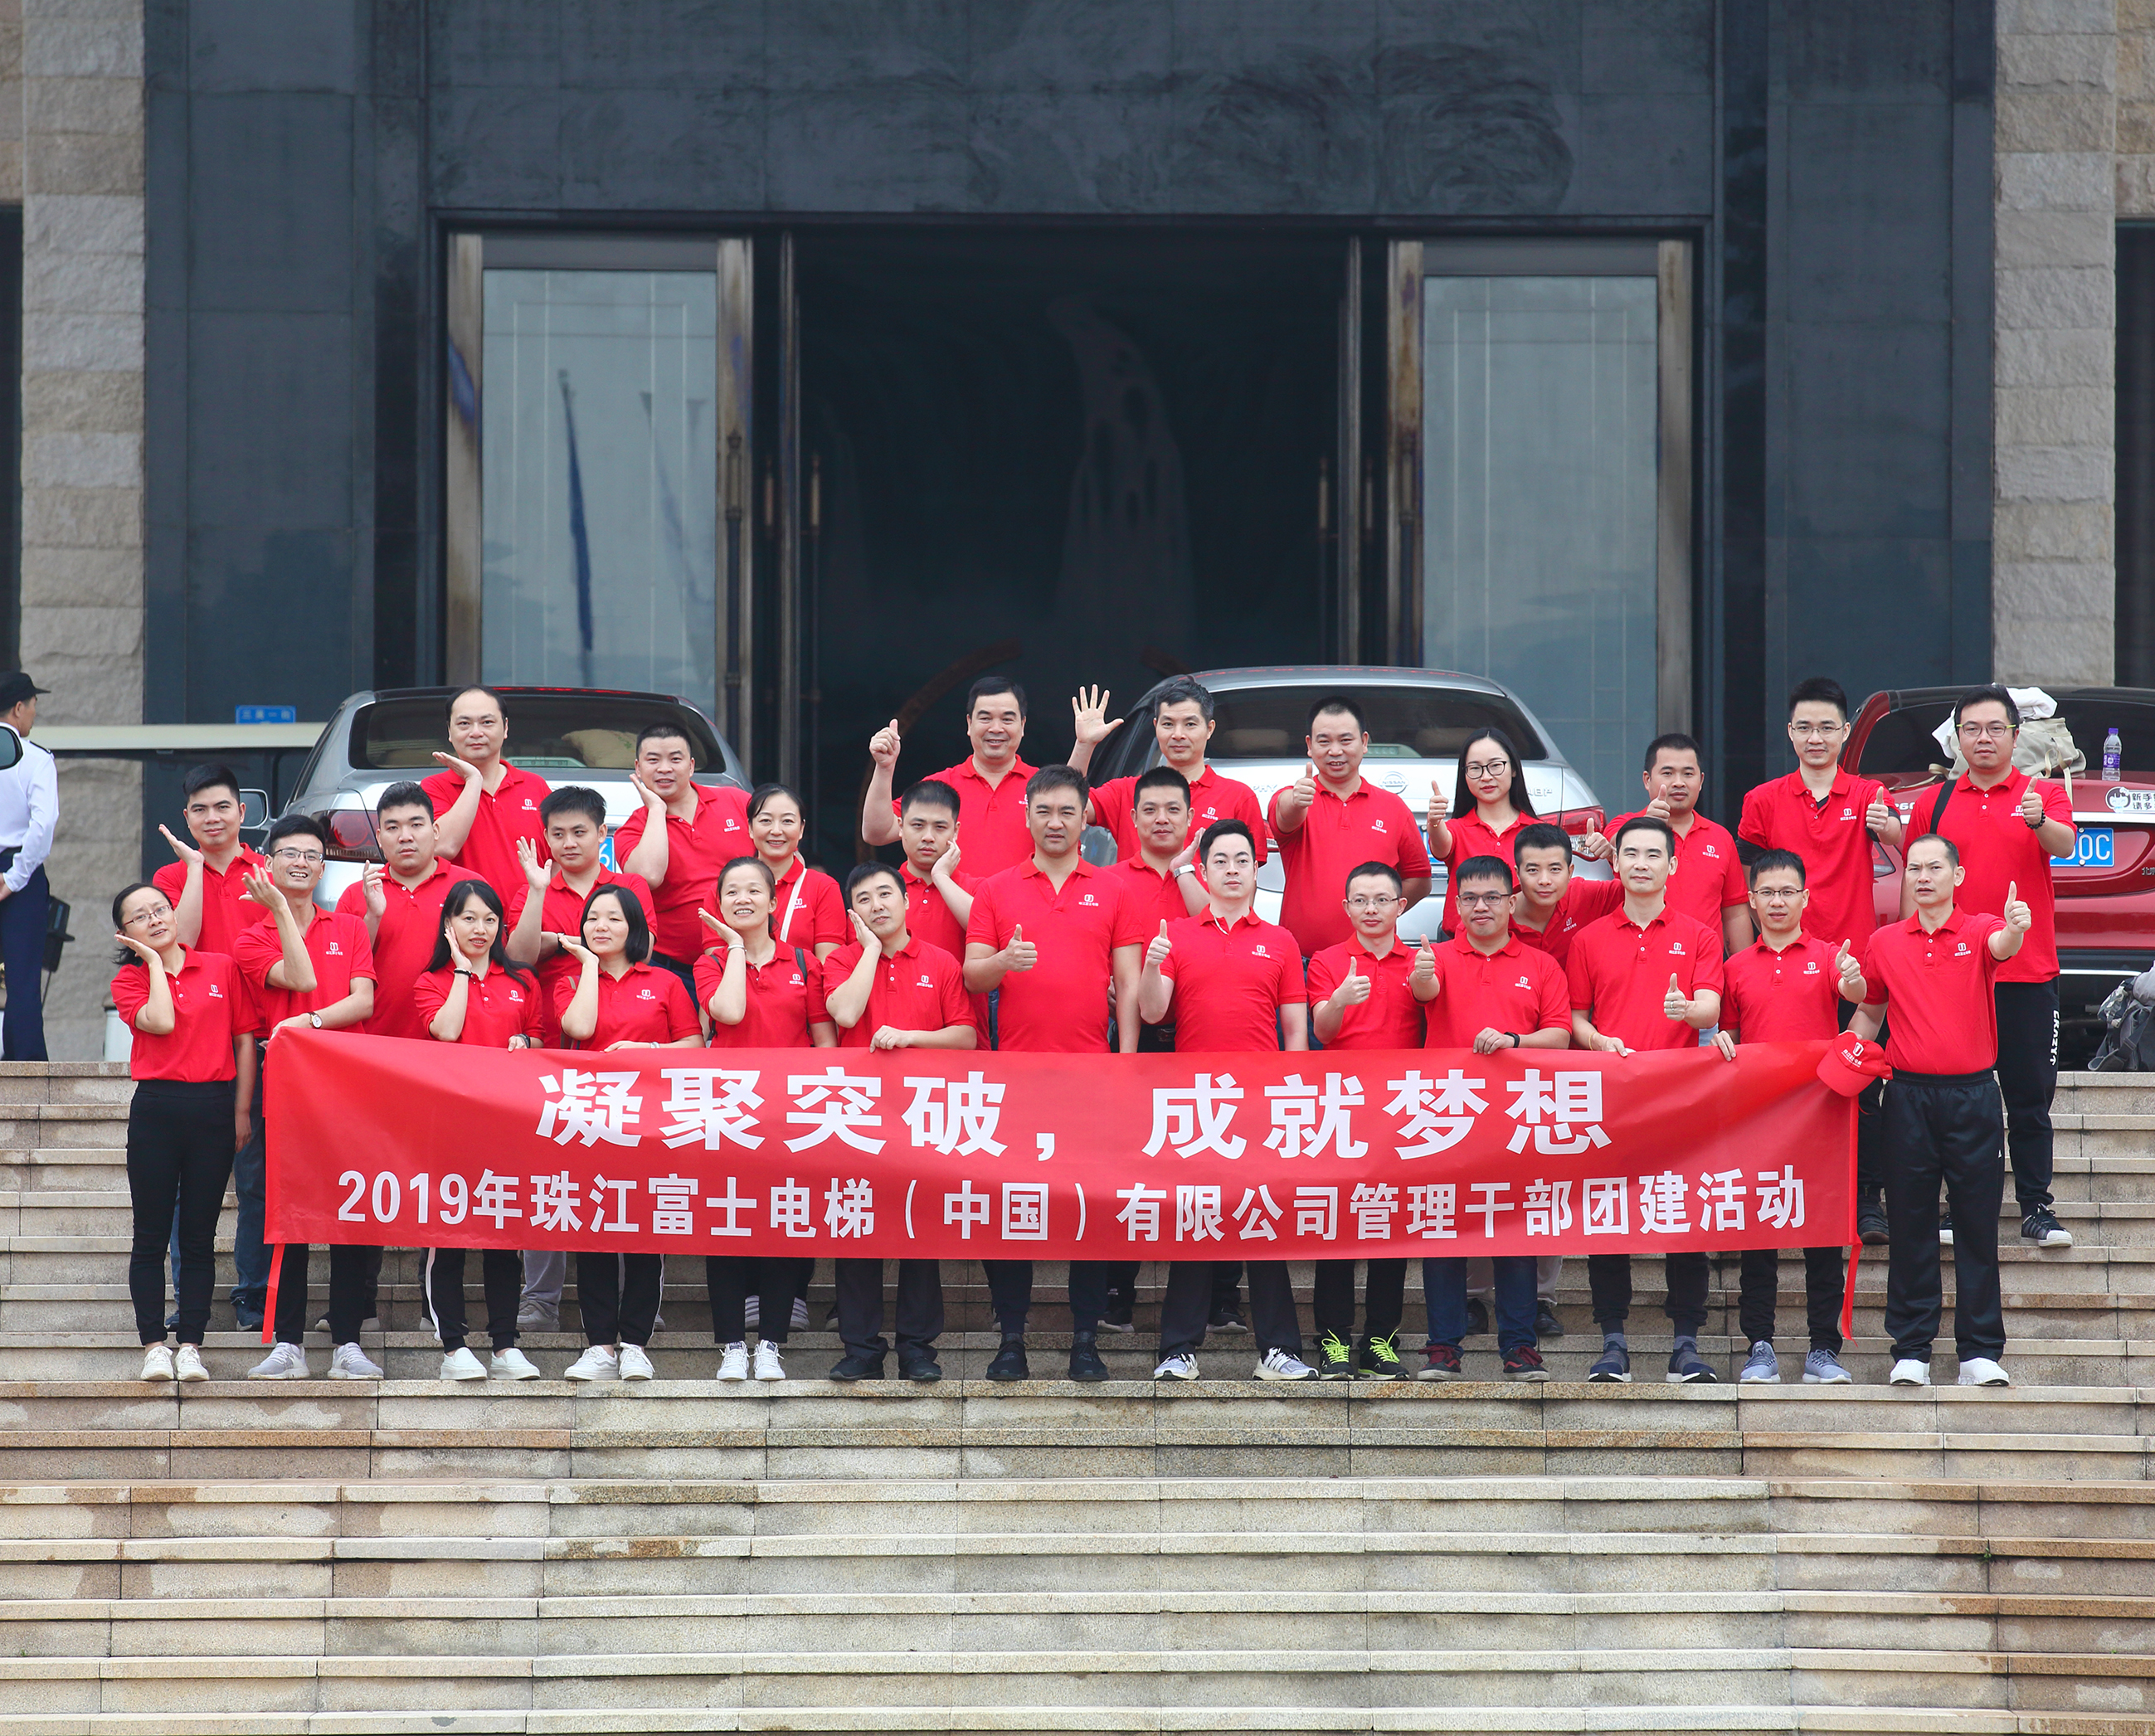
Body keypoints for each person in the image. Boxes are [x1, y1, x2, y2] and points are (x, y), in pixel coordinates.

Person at [965, 765, 1146, 1379]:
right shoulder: (995, 889)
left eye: (1068, 811)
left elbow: (1128, 983)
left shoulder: (1114, 889)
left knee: (1088, 1210)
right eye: (1044, 811)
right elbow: (972, 976)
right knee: (1011, 1209)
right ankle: (1011, 1338)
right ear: (1027, 816)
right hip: (1016, 1080)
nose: (1055, 822)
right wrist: (1003, 961)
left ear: (1085, 817)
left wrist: (1126, 1063)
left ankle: (1085, 1340)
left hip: (1092, 1076)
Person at [1137, 819, 1320, 1384]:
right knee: (1195, 1222)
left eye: (1243, 860)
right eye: (1221, 860)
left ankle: (1278, 1350)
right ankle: (1178, 1349)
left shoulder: (1280, 940)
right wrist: (1151, 964)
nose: (1233, 869)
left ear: (1258, 869)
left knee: (1263, 1221)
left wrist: (1294, 1103)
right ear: (1204, 869)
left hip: (1262, 1104)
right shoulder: (1176, 934)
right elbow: (1152, 1011)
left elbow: (1296, 1031)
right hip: (1197, 1105)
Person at [1903, 684, 2076, 1252]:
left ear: (2015, 735)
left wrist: (2037, 821)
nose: (1983, 738)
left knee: (2029, 1097)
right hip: (1954, 975)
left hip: (2027, 972)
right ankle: (1959, 1206)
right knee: (1958, 1099)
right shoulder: (1935, 803)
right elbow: (1914, 882)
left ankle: (2037, 1207)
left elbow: (2065, 844)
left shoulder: (2041, 792)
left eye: (1995, 728)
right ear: (1957, 738)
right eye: (1972, 729)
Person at [1851, 834, 2029, 1388]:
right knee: (1910, 1226)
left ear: (1958, 876)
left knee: (1976, 1225)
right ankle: (1911, 1349)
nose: (1923, 876)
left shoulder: (1977, 930)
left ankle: (1979, 1351)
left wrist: (2016, 928)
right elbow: (1869, 1013)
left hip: (1972, 1097)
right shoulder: (1883, 941)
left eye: (1935, 867)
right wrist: (1843, 1058)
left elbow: (2002, 945)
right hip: (1907, 1098)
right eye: (1915, 868)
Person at [1738, 676, 1904, 1245]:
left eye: (1827, 727)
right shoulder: (1762, 800)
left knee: (1861, 1087)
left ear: (1845, 732)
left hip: (1852, 970)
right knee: (1774, 1089)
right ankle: (1771, 1194)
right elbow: (1749, 888)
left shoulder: (1868, 794)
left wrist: (1891, 827)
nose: (1816, 737)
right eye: (1805, 727)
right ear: (1789, 732)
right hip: (1780, 968)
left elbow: (1906, 838)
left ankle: (1865, 1201)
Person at [1566, 815, 1724, 1383]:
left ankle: (1686, 1345)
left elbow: (1710, 1006)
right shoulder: (1588, 939)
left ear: (1672, 865)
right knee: (1609, 1222)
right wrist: (1597, 1041)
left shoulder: (1699, 935)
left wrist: (1688, 1011)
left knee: (1685, 1221)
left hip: (1678, 1102)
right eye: (1630, 853)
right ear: (1614, 862)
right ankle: (1613, 1342)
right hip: (1609, 1102)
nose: (1640, 863)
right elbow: (1575, 1018)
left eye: (1653, 854)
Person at [1414, 853, 1572, 1383]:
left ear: (1511, 902)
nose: (1480, 907)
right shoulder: (1436, 957)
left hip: (1517, 1119)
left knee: (1515, 1233)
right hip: (1445, 1118)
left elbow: (1559, 1035)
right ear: (1456, 905)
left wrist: (1513, 1041)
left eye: (1491, 898)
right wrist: (1422, 975)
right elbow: (1423, 993)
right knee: (1443, 1233)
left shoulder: (1541, 964)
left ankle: (1520, 1348)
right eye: (1469, 898)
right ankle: (1443, 1348)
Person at [236, 815, 382, 1378]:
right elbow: (299, 979)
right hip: (287, 1089)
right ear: (269, 863)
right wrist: (278, 908)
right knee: (289, 1215)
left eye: (312, 855)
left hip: (348, 1086)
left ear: (323, 867)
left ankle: (347, 1341)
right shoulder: (253, 937)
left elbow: (364, 1001)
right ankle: (288, 1343)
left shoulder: (349, 927)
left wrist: (309, 1023)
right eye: (289, 853)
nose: (301, 862)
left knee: (350, 1208)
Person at [1711, 849, 1863, 1384]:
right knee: (1758, 1238)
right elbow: (1728, 1036)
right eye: (1767, 892)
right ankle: (1761, 1346)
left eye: (1787, 892)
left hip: (1820, 1117)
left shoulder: (1828, 956)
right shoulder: (1734, 967)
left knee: (1823, 1236)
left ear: (1805, 897)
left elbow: (1857, 995)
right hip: (1759, 1121)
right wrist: (1723, 1040)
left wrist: (1853, 978)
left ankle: (1824, 1349)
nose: (1777, 901)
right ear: (1751, 901)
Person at [823, 861, 975, 1383]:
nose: (878, 906)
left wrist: (911, 1038)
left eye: (886, 894)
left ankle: (917, 1348)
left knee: (919, 1230)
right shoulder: (841, 959)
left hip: (922, 1113)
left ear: (907, 900)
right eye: (864, 900)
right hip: (855, 1114)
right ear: (852, 913)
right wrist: (869, 950)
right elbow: (845, 1015)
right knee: (856, 1226)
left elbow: (966, 1036)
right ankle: (861, 1348)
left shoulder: (941, 961)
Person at [552, 885, 700, 1384]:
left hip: (653, 1123)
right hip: (591, 1122)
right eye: (592, 917)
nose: (601, 926)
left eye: (614, 918)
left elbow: (694, 1046)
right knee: (593, 1232)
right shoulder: (570, 981)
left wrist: (646, 1053)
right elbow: (579, 1027)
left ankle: (635, 1343)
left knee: (645, 1233)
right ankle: (598, 1345)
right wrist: (588, 967)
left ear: (635, 927)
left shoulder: (665, 982)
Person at [112, 883, 259, 1383]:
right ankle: (154, 1345)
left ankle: (191, 1344)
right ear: (125, 933)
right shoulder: (129, 981)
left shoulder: (220, 967)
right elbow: (160, 1020)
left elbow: (244, 1040)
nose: (155, 919)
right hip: (157, 1110)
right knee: (150, 1236)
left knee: (198, 1237)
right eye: (140, 916)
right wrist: (155, 964)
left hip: (213, 1109)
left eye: (161, 909)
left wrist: (241, 1110)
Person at [698, 854, 836, 1380]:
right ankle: (733, 1345)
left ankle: (771, 1345)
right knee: (726, 1227)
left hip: (789, 1115)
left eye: (754, 890)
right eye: (731, 891)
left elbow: (825, 1042)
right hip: (727, 1112)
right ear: (719, 904)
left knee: (784, 1226)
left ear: (775, 901)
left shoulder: (804, 962)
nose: (743, 899)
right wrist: (736, 949)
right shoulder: (710, 963)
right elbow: (729, 1013)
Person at [411, 878, 545, 1382]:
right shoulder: (431, 981)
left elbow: (540, 1040)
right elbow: (445, 1030)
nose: (480, 929)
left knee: (504, 1240)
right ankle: (453, 1347)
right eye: (468, 918)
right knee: (446, 1238)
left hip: (507, 1126)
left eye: (490, 919)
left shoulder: (523, 982)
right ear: (448, 924)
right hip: (448, 1125)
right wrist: (464, 973)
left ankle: (505, 1346)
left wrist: (526, 1044)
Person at [1303, 861, 1425, 1379]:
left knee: (1388, 1229)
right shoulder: (1328, 961)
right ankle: (1332, 1340)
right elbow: (1322, 1032)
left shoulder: (1420, 962)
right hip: (1343, 1110)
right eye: (1360, 900)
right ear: (1346, 907)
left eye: (1381, 900)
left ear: (1401, 906)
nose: (1371, 909)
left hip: (1401, 1112)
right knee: (1336, 1228)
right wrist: (1338, 1001)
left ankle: (1381, 1339)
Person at [1268, 696, 1432, 958]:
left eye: (1345, 740)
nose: (1335, 751)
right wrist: (1297, 801)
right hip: (1303, 961)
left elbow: (1420, 880)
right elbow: (1285, 815)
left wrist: (1381, 910)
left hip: (1374, 959)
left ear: (1364, 742)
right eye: (1324, 741)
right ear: (1309, 746)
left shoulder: (1393, 807)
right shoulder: (1297, 798)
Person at [505, 785, 658, 1046]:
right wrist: (537, 891)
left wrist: (558, 942)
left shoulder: (630, 886)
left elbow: (641, 950)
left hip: (625, 1029)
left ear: (601, 833)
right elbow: (518, 960)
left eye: (579, 832)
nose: (569, 843)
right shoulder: (530, 893)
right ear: (546, 837)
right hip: (553, 1029)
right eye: (558, 834)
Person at [1579, 734, 1753, 954]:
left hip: (1703, 964)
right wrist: (1647, 825)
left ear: (1701, 781)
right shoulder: (1624, 824)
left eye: (1688, 774)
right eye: (1668, 773)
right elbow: (1616, 841)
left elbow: (1735, 913)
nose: (1678, 782)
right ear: (1647, 780)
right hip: (1639, 959)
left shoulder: (1720, 838)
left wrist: (1742, 969)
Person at [614, 720, 751, 997]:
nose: (665, 768)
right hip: (673, 972)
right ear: (638, 768)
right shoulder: (634, 829)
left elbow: (782, 855)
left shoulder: (738, 802)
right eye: (653, 760)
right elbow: (649, 876)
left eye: (675, 759)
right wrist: (656, 809)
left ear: (691, 766)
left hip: (746, 962)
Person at [1066, 677, 1267, 861]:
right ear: (1156, 727)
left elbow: (1247, 876)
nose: (1178, 734)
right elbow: (1067, 807)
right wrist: (1084, 745)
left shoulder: (1239, 797)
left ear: (1209, 729)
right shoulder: (1126, 792)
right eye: (1168, 724)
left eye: (1190, 724)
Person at [862, 677, 1038, 881]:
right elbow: (877, 833)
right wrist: (884, 767)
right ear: (969, 723)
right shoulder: (941, 786)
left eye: (1007, 719)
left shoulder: (1044, 787)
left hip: (1026, 902)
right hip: (949, 902)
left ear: (1022, 725)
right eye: (985, 718)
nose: (996, 728)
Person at [333, 782, 469, 1043]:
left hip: (454, 1044)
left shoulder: (469, 887)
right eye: (393, 828)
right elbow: (340, 975)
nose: (405, 837)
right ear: (379, 837)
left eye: (416, 825)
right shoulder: (356, 895)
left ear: (435, 830)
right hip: (376, 1044)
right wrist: (373, 917)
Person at [420, 686, 552, 896]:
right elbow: (443, 846)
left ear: (505, 728)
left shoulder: (535, 786)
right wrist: (474, 780)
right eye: (464, 724)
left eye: (487, 722)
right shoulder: (434, 788)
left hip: (531, 914)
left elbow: (559, 860)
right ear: (450, 732)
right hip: (464, 915)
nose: (476, 733)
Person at [1424, 727, 1535, 937]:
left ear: (1513, 769)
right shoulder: (1457, 829)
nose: (1486, 777)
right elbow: (1441, 846)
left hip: (1522, 945)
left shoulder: (1535, 832)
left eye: (1495, 766)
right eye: (1475, 768)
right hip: (1461, 946)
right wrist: (1435, 823)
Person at [153, 763, 268, 954]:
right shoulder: (169, 877)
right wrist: (195, 866)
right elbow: (181, 945)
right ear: (187, 818)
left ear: (241, 812)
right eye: (200, 810)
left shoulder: (270, 871)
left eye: (222, 807)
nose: (212, 818)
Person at [0, 671, 56, 1060]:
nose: (35, 713)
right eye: (34, 705)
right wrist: (15, 877)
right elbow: (44, 823)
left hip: (13, 868)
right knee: (21, 975)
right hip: (18, 868)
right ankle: (28, 1067)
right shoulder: (34, 757)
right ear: (19, 708)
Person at [747, 782, 846, 960]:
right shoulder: (727, 888)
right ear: (750, 828)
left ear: (801, 829)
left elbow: (829, 966)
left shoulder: (823, 887)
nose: (776, 831)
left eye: (787, 821)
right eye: (766, 821)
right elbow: (718, 963)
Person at [1509, 823, 1623, 970]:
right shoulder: (1498, 914)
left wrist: (1613, 857)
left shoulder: (1583, 896)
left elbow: (1639, 893)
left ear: (1570, 872)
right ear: (1518, 874)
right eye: (1533, 870)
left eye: (1555, 869)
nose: (1544, 880)